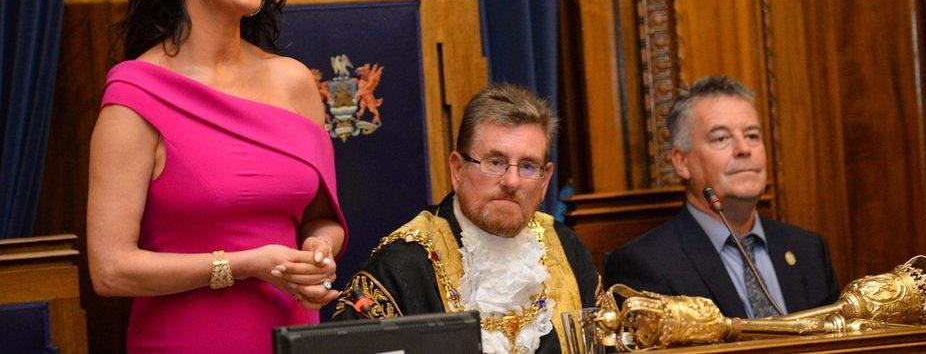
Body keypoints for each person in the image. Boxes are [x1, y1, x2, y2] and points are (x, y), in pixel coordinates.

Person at [86, 0, 348, 353]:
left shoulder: (295, 82)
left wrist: (318, 253)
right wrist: (244, 265)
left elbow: (320, 219)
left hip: (295, 337)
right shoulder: (136, 95)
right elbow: (110, 270)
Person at [333, 84, 600, 354]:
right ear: (458, 170)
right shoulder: (402, 266)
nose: (512, 181)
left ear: (545, 181)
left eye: (528, 166)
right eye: (495, 162)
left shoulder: (566, 249)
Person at [604, 75, 838, 319]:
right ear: (682, 162)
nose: (744, 149)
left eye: (752, 135)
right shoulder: (645, 265)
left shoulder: (809, 250)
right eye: (721, 138)